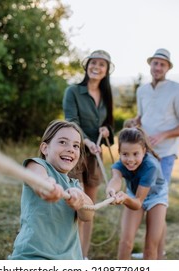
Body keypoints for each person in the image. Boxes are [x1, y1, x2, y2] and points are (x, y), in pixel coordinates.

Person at [132, 48, 179, 259]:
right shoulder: (142, 90)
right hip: (142, 154)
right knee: (149, 203)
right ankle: (157, 253)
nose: (158, 67)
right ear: (150, 65)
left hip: (165, 156)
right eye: (155, 63)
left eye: (162, 64)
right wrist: (135, 123)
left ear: (168, 67)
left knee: (157, 204)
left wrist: (164, 134)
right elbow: (142, 116)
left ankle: (155, 253)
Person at [9, 120, 94, 260]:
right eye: (62, 142)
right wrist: (48, 185)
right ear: (45, 148)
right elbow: (39, 180)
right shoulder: (37, 165)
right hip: (33, 256)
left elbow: (88, 215)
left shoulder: (75, 185)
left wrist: (81, 199)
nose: (71, 149)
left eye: (76, 146)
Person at [62, 50, 115, 259]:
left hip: (95, 155)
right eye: (93, 63)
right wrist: (85, 140)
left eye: (102, 64)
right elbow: (71, 120)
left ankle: (83, 255)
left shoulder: (106, 95)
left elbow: (110, 124)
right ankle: (66, 252)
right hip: (74, 152)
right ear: (87, 66)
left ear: (106, 70)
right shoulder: (73, 91)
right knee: (73, 202)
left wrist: (106, 131)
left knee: (89, 208)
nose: (97, 67)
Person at [106, 127, 168, 260]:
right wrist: (111, 191)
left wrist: (125, 198)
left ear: (144, 151)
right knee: (125, 242)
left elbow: (138, 203)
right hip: (133, 195)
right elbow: (115, 179)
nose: (130, 159)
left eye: (135, 154)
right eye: (125, 154)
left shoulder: (150, 166)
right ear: (120, 153)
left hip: (156, 198)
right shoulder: (119, 165)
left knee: (151, 246)